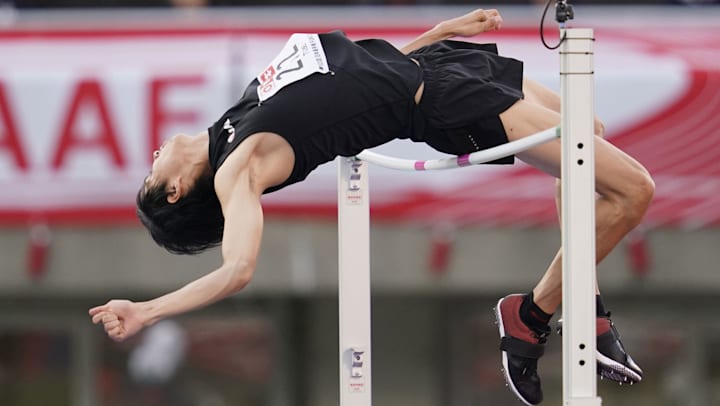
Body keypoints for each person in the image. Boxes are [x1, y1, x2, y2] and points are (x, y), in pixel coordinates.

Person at [89, 8, 654, 405]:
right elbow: (238, 269)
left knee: (592, 132)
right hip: (445, 104)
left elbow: (355, 78)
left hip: (440, 66)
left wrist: (439, 33)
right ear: (174, 191)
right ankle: (532, 317)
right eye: (152, 170)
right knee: (632, 190)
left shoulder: (234, 117)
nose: (156, 153)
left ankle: (577, 300)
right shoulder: (241, 167)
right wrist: (149, 311)